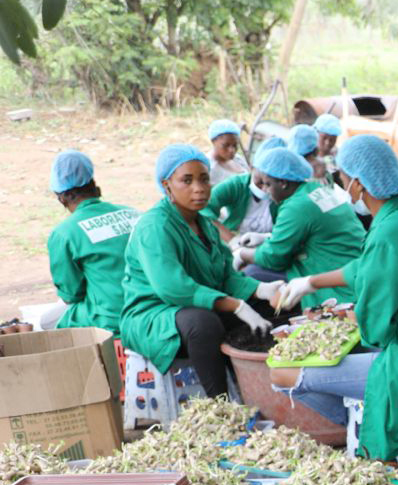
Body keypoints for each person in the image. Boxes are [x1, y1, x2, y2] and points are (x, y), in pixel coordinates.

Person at [272, 135, 398, 460]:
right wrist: (311, 281)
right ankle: (367, 414)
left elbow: (375, 327)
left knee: (281, 374)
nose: (341, 184)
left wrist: (346, 316)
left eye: (343, 178)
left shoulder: (387, 234)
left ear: (359, 183)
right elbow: (366, 267)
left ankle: (364, 421)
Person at [121, 145, 284, 397]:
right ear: (166, 186)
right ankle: (220, 404)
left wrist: (261, 290)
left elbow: (225, 275)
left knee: (272, 307)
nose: (199, 188)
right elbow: (174, 289)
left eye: (204, 179)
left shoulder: (203, 223)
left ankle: (266, 388)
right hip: (155, 314)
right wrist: (236, 306)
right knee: (203, 324)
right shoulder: (154, 226)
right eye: (186, 180)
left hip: (196, 303)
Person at [235, 147, 362, 307]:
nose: (266, 191)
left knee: (252, 273)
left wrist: (242, 254)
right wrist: (267, 237)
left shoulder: (296, 207)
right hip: (354, 266)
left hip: (337, 282)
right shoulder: (317, 190)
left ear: (283, 183)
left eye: (268, 184)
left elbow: (274, 257)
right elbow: (317, 231)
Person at [44, 150, 138, 334]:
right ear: (93, 183)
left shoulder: (64, 233)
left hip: (112, 318)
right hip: (153, 313)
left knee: (46, 322)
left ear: (61, 196)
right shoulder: (133, 213)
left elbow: (71, 294)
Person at [204, 146, 276, 242]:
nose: (264, 189)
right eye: (260, 182)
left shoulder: (286, 195)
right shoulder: (237, 185)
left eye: (269, 184)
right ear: (251, 168)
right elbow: (205, 208)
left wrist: (266, 238)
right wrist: (232, 240)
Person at [207, 120, 247, 185]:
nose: (232, 150)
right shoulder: (209, 169)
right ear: (213, 141)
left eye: (235, 145)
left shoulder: (238, 159)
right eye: (225, 145)